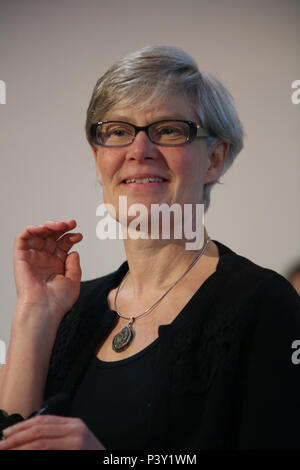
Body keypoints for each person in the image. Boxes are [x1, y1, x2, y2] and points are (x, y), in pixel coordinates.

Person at [1, 45, 300, 450]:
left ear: (214, 158)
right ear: (99, 158)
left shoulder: (264, 304)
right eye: (119, 131)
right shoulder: (69, 309)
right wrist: (34, 314)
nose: (138, 151)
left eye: (169, 130)